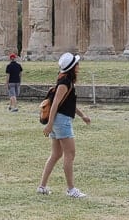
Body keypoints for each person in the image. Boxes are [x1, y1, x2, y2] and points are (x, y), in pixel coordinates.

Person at [37, 52, 91, 198]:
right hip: (61, 121)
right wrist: (49, 124)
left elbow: (68, 104)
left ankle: (42, 187)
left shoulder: (66, 81)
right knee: (70, 153)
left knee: (56, 154)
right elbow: (55, 105)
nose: (79, 66)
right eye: (77, 64)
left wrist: (82, 116)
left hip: (58, 120)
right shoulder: (65, 83)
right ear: (73, 67)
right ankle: (71, 189)